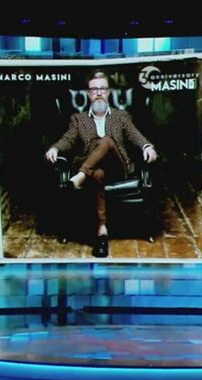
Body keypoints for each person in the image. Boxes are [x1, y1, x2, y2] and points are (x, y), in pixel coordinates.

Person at [44, 71, 158, 257]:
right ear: (88, 94)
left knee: (106, 140)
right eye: (94, 89)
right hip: (95, 170)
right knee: (97, 174)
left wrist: (147, 147)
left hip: (117, 167)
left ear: (108, 92)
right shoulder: (78, 119)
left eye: (102, 89)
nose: (98, 93)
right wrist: (55, 148)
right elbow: (68, 139)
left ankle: (80, 175)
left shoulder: (121, 116)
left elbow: (135, 135)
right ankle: (102, 233)